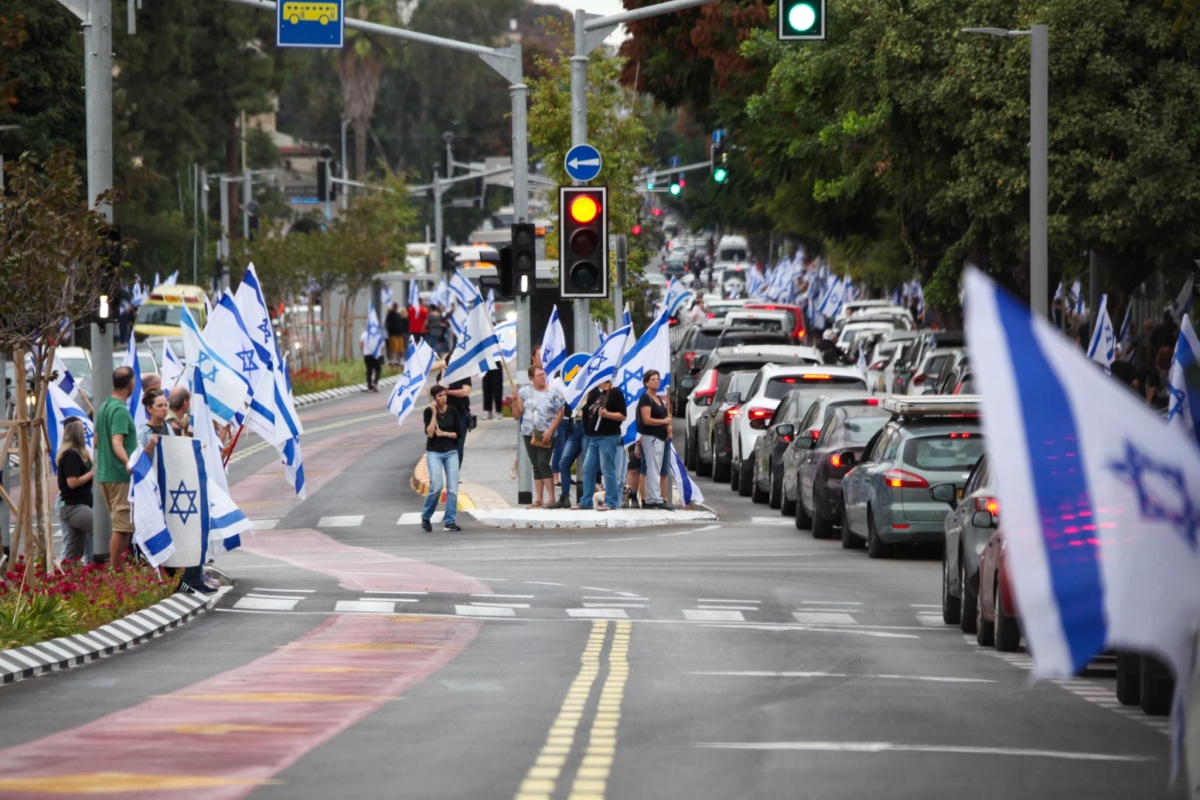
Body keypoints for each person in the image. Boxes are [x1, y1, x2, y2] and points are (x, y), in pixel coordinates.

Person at [95, 367, 137, 565]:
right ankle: (116, 572)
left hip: (105, 473)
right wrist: (128, 462)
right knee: (122, 528)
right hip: (120, 475)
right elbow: (117, 442)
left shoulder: (104, 407)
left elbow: (96, 441)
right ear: (131, 384)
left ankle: (118, 570)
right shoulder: (119, 410)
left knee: (122, 526)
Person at [513, 365, 565, 508]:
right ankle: (539, 498)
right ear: (531, 378)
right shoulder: (524, 392)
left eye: (543, 374)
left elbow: (560, 413)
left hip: (546, 433)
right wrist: (514, 401)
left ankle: (552, 498)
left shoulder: (553, 392)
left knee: (543, 463)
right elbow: (517, 416)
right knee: (536, 465)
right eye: (539, 375)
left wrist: (550, 430)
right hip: (529, 432)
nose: (543, 377)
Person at [572, 379, 627, 511]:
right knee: (588, 468)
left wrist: (607, 414)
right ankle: (586, 501)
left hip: (608, 436)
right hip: (593, 437)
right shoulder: (597, 394)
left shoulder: (615, 393)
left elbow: (622, 415)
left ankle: (611, 501)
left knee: (607, 469)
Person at [421, 385, 462, 532]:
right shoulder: (428, 411)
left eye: (444, 395)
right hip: (434, 453)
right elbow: (430, 433)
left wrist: (445, 434)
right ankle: (426, 516)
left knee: (452, 488)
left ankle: (449, 521)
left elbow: (458, 433)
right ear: (434, 398)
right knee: (437, 486)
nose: (443, 398)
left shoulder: (452, 411)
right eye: (439, 396)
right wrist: (433, 414)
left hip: (451, 451)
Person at [56, 418, 94, 562]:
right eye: (83, 431)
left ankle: (67, 578)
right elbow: (72, 482)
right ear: (77, 434)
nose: (85, 433)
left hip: (78, 504)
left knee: (75, 550)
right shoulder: (71, 455)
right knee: (101, 531)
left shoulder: (80, 454)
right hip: (74, 506)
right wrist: (91, 473)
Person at [636, 370, 672, 509]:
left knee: (656, 467)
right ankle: (655, 499)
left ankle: (652, 498)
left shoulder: (658, 398)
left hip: (660, 437)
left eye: (657, 379)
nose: (656, 381)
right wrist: (664, 421)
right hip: (651, 437)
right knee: (653, 468)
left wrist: (667, 426)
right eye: (652, 379)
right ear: (646, 382)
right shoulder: (646, 398)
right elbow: (647, 420)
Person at [445, 376, 472, 465]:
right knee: (447, 446)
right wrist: (442, 370)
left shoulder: (464, 375)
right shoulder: (443, 376)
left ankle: (455, 473)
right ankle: (449, 472)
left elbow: (465, 392)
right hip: (445, 415)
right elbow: (442, 388)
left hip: (461, 414)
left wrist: (448, 392)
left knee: (458, 446)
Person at [359, 326, 382, 393]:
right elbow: (382, 345)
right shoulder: (378, 334)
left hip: (367, 354)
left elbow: (361, 344)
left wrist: (362, 352)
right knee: (378, 370)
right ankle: (375, 383)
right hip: (376, 354)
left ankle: (369, 386)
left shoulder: (363, 334)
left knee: (369, 370)